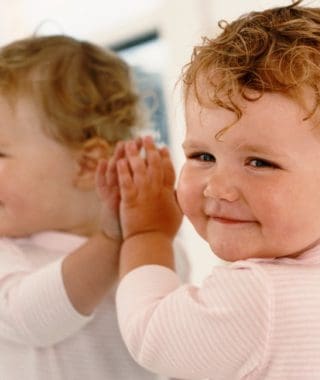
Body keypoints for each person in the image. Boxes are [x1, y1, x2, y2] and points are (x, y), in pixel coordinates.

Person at [101, 1, 320, 379]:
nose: (218, 187)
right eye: (202, 155)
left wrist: (146, 232)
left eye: (260, 163)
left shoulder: (260, 294)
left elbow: (149, 334)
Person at [0, 35, 187, 379]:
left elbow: (172, 336)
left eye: (0, 153)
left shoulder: (151, 246)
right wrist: (112, 241)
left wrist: (144, 235)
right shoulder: (7, 252)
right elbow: (29, 319)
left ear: (87, 165)